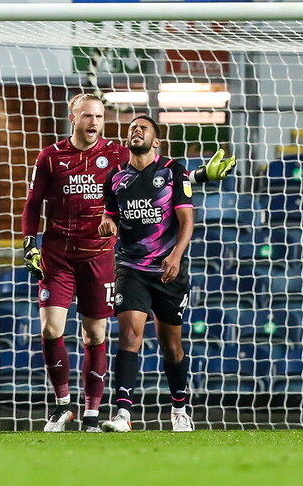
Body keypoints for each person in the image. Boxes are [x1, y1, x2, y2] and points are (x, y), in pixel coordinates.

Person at [21, 93, 235, 432]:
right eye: (88, 116)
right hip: (62, 255)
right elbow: (33, 203)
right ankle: (66, 406)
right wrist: (29, 242)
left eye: (100, 117)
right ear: (73, 117)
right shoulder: (49, 157)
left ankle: (94, 413)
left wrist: (202, 176)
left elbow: (159, 174)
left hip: (100, 255)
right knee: (53, 329)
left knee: (99, 335)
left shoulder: (118, 155)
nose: (94, 122)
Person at [98, 116, 195, 433]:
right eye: (131, 128)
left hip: (168, 270)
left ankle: (179, 409)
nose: (135, 130)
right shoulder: (114, 177)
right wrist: (107, 223)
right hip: (130, 267)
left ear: (156, 141)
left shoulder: (173, 170)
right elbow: (109, 214)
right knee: (129, 335)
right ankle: (123, 414)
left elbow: (186, 220)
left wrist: (176, 256)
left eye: (144, 128)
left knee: (171, 345)